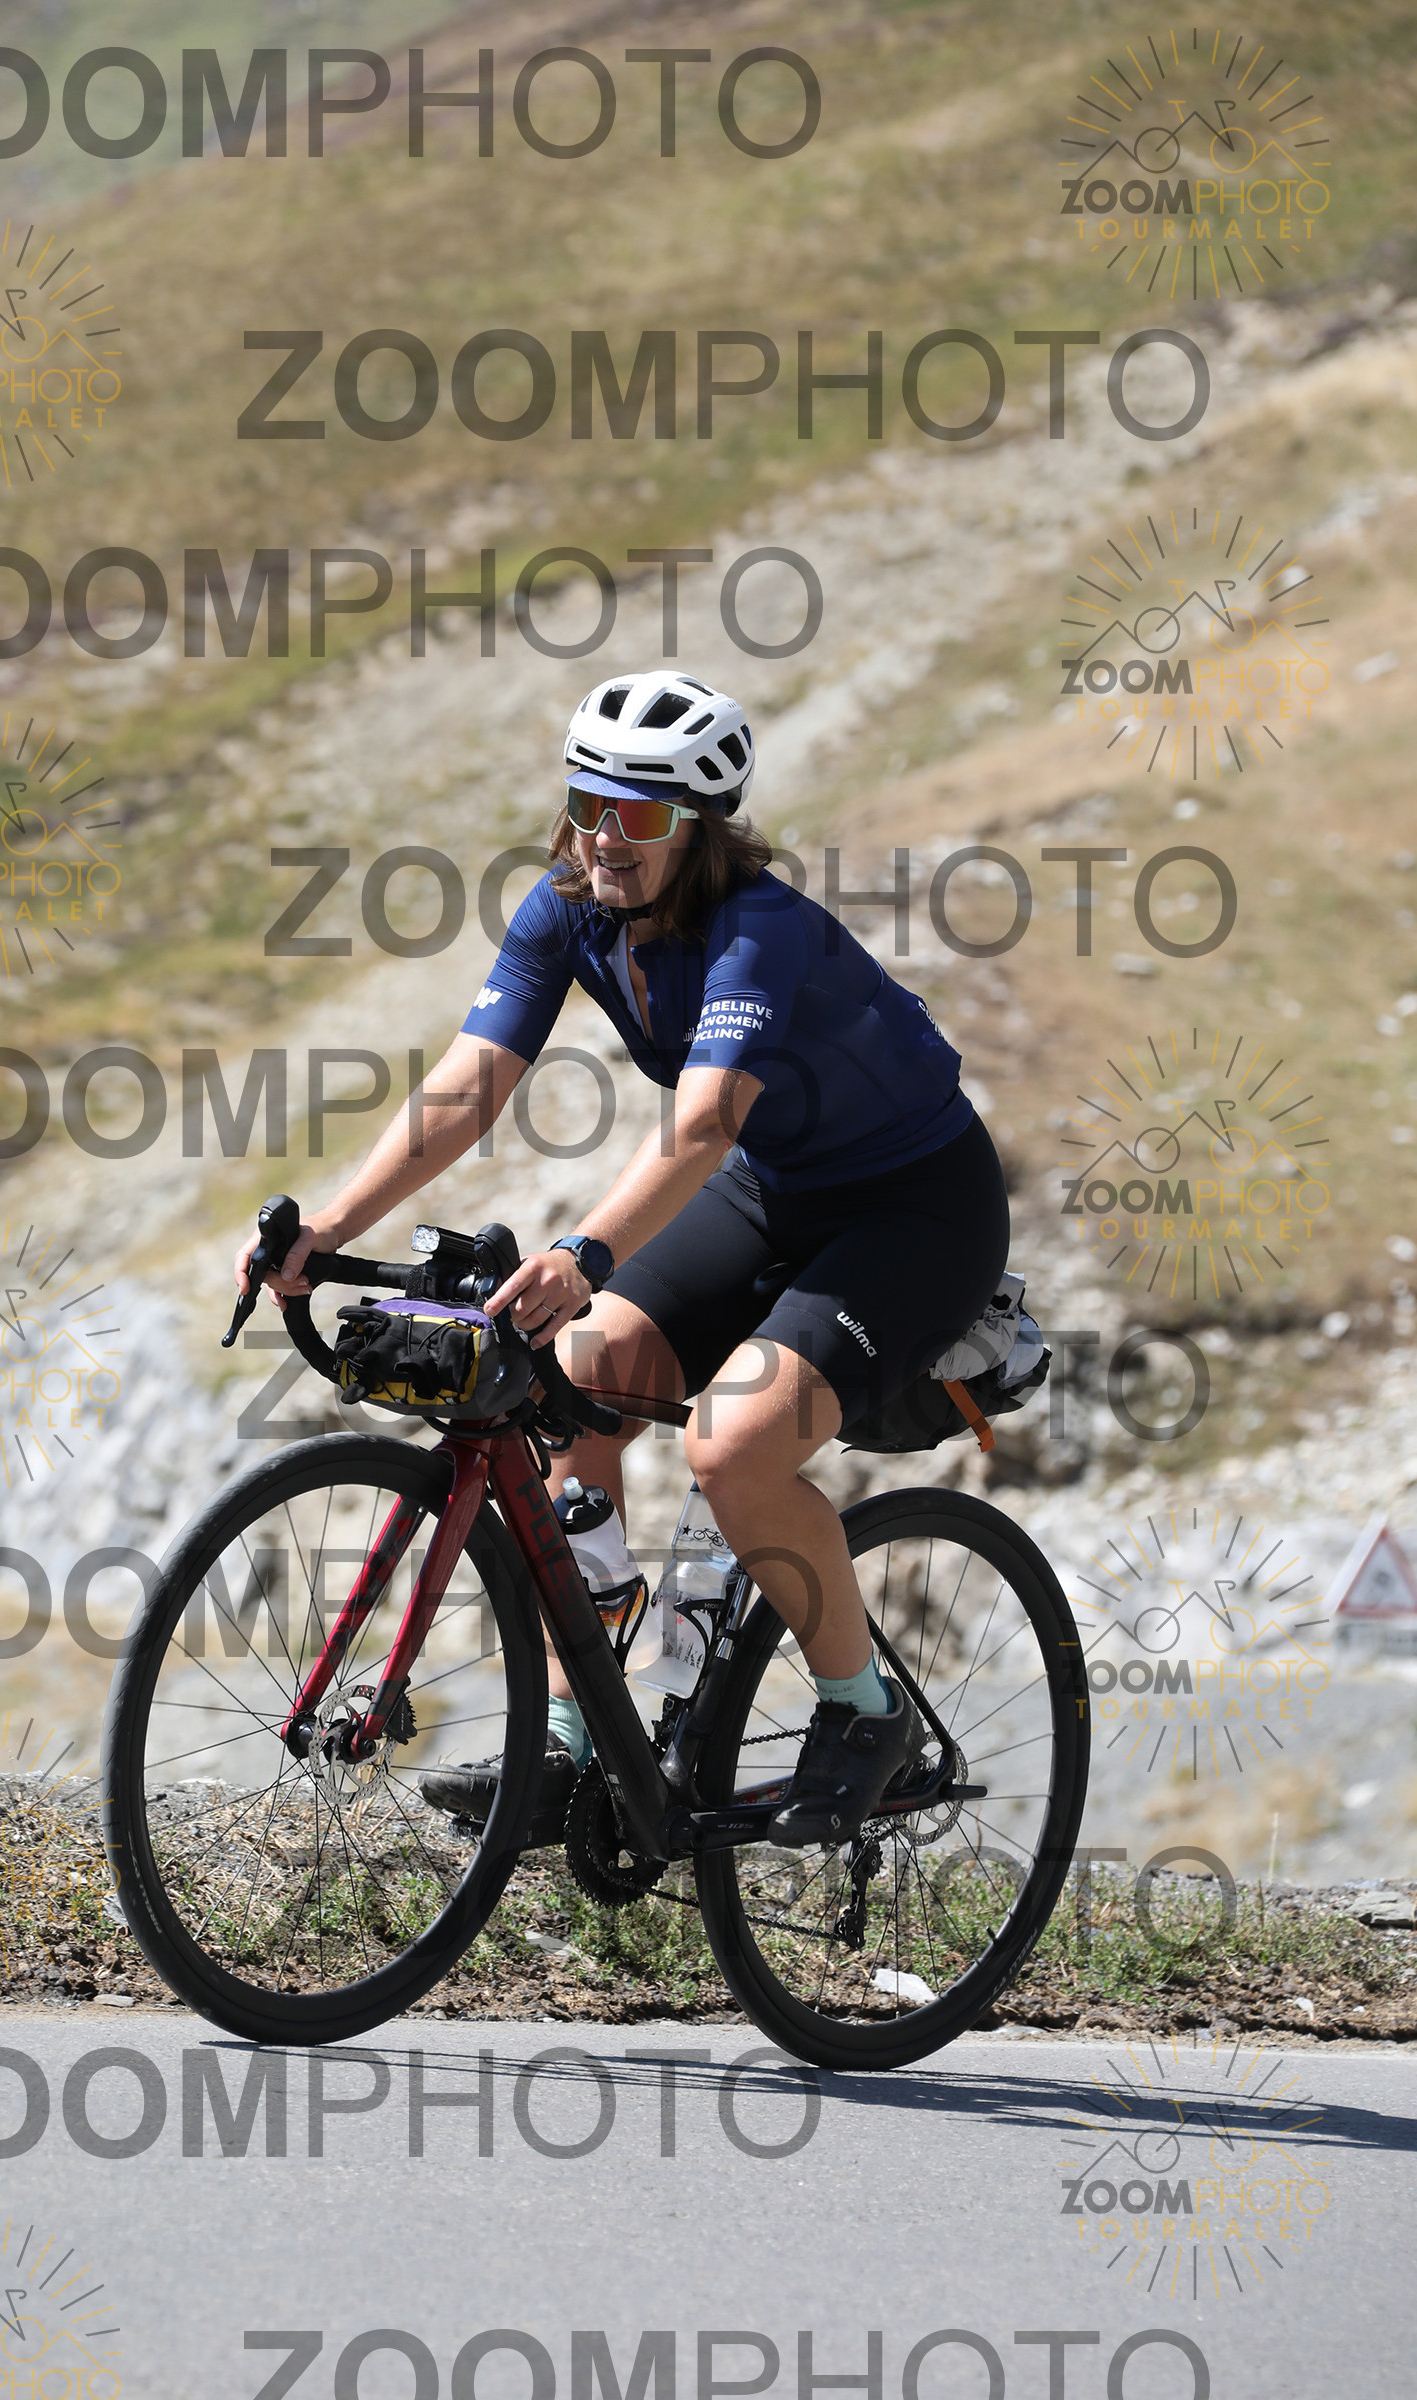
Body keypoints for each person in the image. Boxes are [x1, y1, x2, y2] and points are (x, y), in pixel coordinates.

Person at [236, 669, 1009, 1848]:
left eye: (638, 815)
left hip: (915, 1209)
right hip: (774, 1188)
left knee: (731, 1446)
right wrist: (328, 1228)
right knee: (576, 1371)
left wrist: (585, 1251)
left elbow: (701, 1125)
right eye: (587, 804)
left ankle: (866, 1713)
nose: (604, 836)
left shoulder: (756, 927)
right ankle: (573, 1732)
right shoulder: (566, 911)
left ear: (697, 829)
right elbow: (468, 1086)